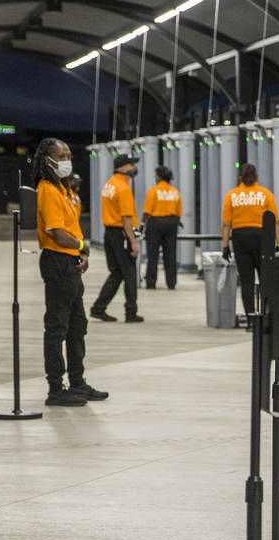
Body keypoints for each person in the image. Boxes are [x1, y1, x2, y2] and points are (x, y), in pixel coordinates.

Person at [31, 138, 108, 407]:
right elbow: (60, 235)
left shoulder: (62, 189)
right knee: (57, 328)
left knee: (77, 327)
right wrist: (81, 246)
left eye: (68, 154)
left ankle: (78, 382)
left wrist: (81, 254)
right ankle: (56, 388)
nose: (67, 159)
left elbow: (71, 231)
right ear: (48, 160)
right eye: (61, 155)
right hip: (58, 263)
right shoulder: (48, 191)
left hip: (70, 263)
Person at [221, 163, 279, 324]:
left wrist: (225, 247)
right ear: (256, 177)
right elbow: (275, 221)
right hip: (262, 238)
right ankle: (266, 316)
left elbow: (226, 224)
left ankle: (250, 320)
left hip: (240, 238)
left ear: (240, 177)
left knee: (246, 281)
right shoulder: (265, 194)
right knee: (265, 279)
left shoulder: (232, 196)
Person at [91, 154, 143, 323]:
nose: (133, 168)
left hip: (110, 233)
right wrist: (133, 242)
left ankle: (98, 308)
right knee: (129, 273)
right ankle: (131, 312)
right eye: (130, 165)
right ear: (122, 168)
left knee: (117, 272)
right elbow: (126, 218)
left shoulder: (110, 184)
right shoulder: (123, 188)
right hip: (121, 234)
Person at [142, 165, 182, 290]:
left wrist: (142, 225)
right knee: (170, 254)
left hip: (155, 223)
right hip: (171, 223)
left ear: (159, 177)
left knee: (152, 254)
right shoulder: (175, 192)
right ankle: (171, 282)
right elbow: (179, 212)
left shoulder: (153, 191)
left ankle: (151, 281)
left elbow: (147, 212)